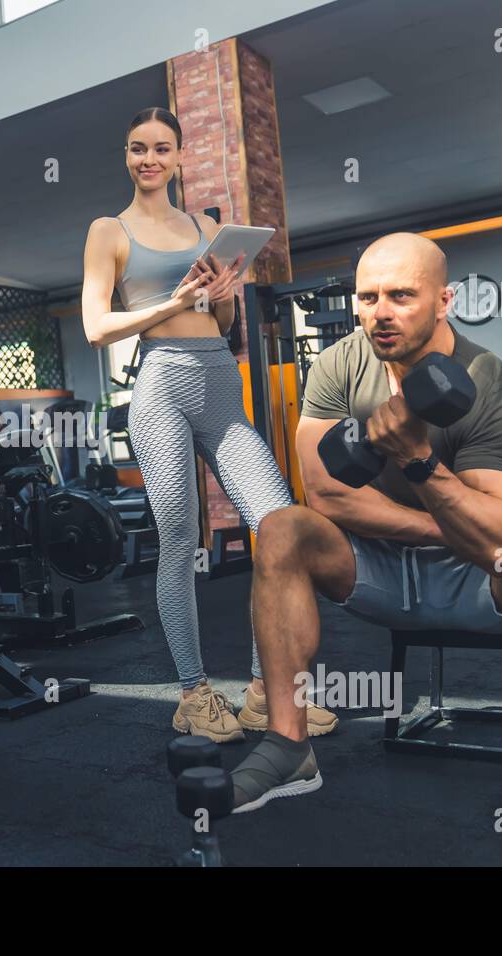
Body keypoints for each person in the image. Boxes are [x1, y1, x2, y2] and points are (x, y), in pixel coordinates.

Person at [230, 231, 502, 867]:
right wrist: (441, 526)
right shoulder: (340, 364)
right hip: (375, 569)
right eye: (368, 297)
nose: (381, 312)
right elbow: (324, 493)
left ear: (443, 300)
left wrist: (419, 462)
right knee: (283, 525)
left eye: (402, 295)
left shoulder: (492, 384)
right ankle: (289, 746)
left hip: (480, 582)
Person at [80, 106, 337, 743]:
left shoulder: (207, 225)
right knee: (178, 537)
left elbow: (222, 328)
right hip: (159, 383)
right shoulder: (108, 230)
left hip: (220, 378)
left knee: (275, 524)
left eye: (162, 149)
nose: (149, 159)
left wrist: (220, 299)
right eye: (138, 148)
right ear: (126, 155)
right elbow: (95, 328)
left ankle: (263, 691)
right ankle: (194, 694)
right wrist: (171, 302)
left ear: (178, 156)